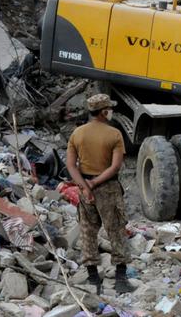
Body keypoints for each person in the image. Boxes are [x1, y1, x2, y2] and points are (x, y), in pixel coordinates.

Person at [66, 94, 132, 295]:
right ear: (104, 111)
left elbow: (70, 165)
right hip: (108, 188)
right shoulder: (114, 134)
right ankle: (121, 279)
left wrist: (85, 187)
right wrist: (95, 182)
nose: (111, 111)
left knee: (88, 231)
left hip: (84, 186)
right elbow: (115, 166)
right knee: (116, 231)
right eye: (109, 108)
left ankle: (93, 278)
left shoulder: (77, 134)